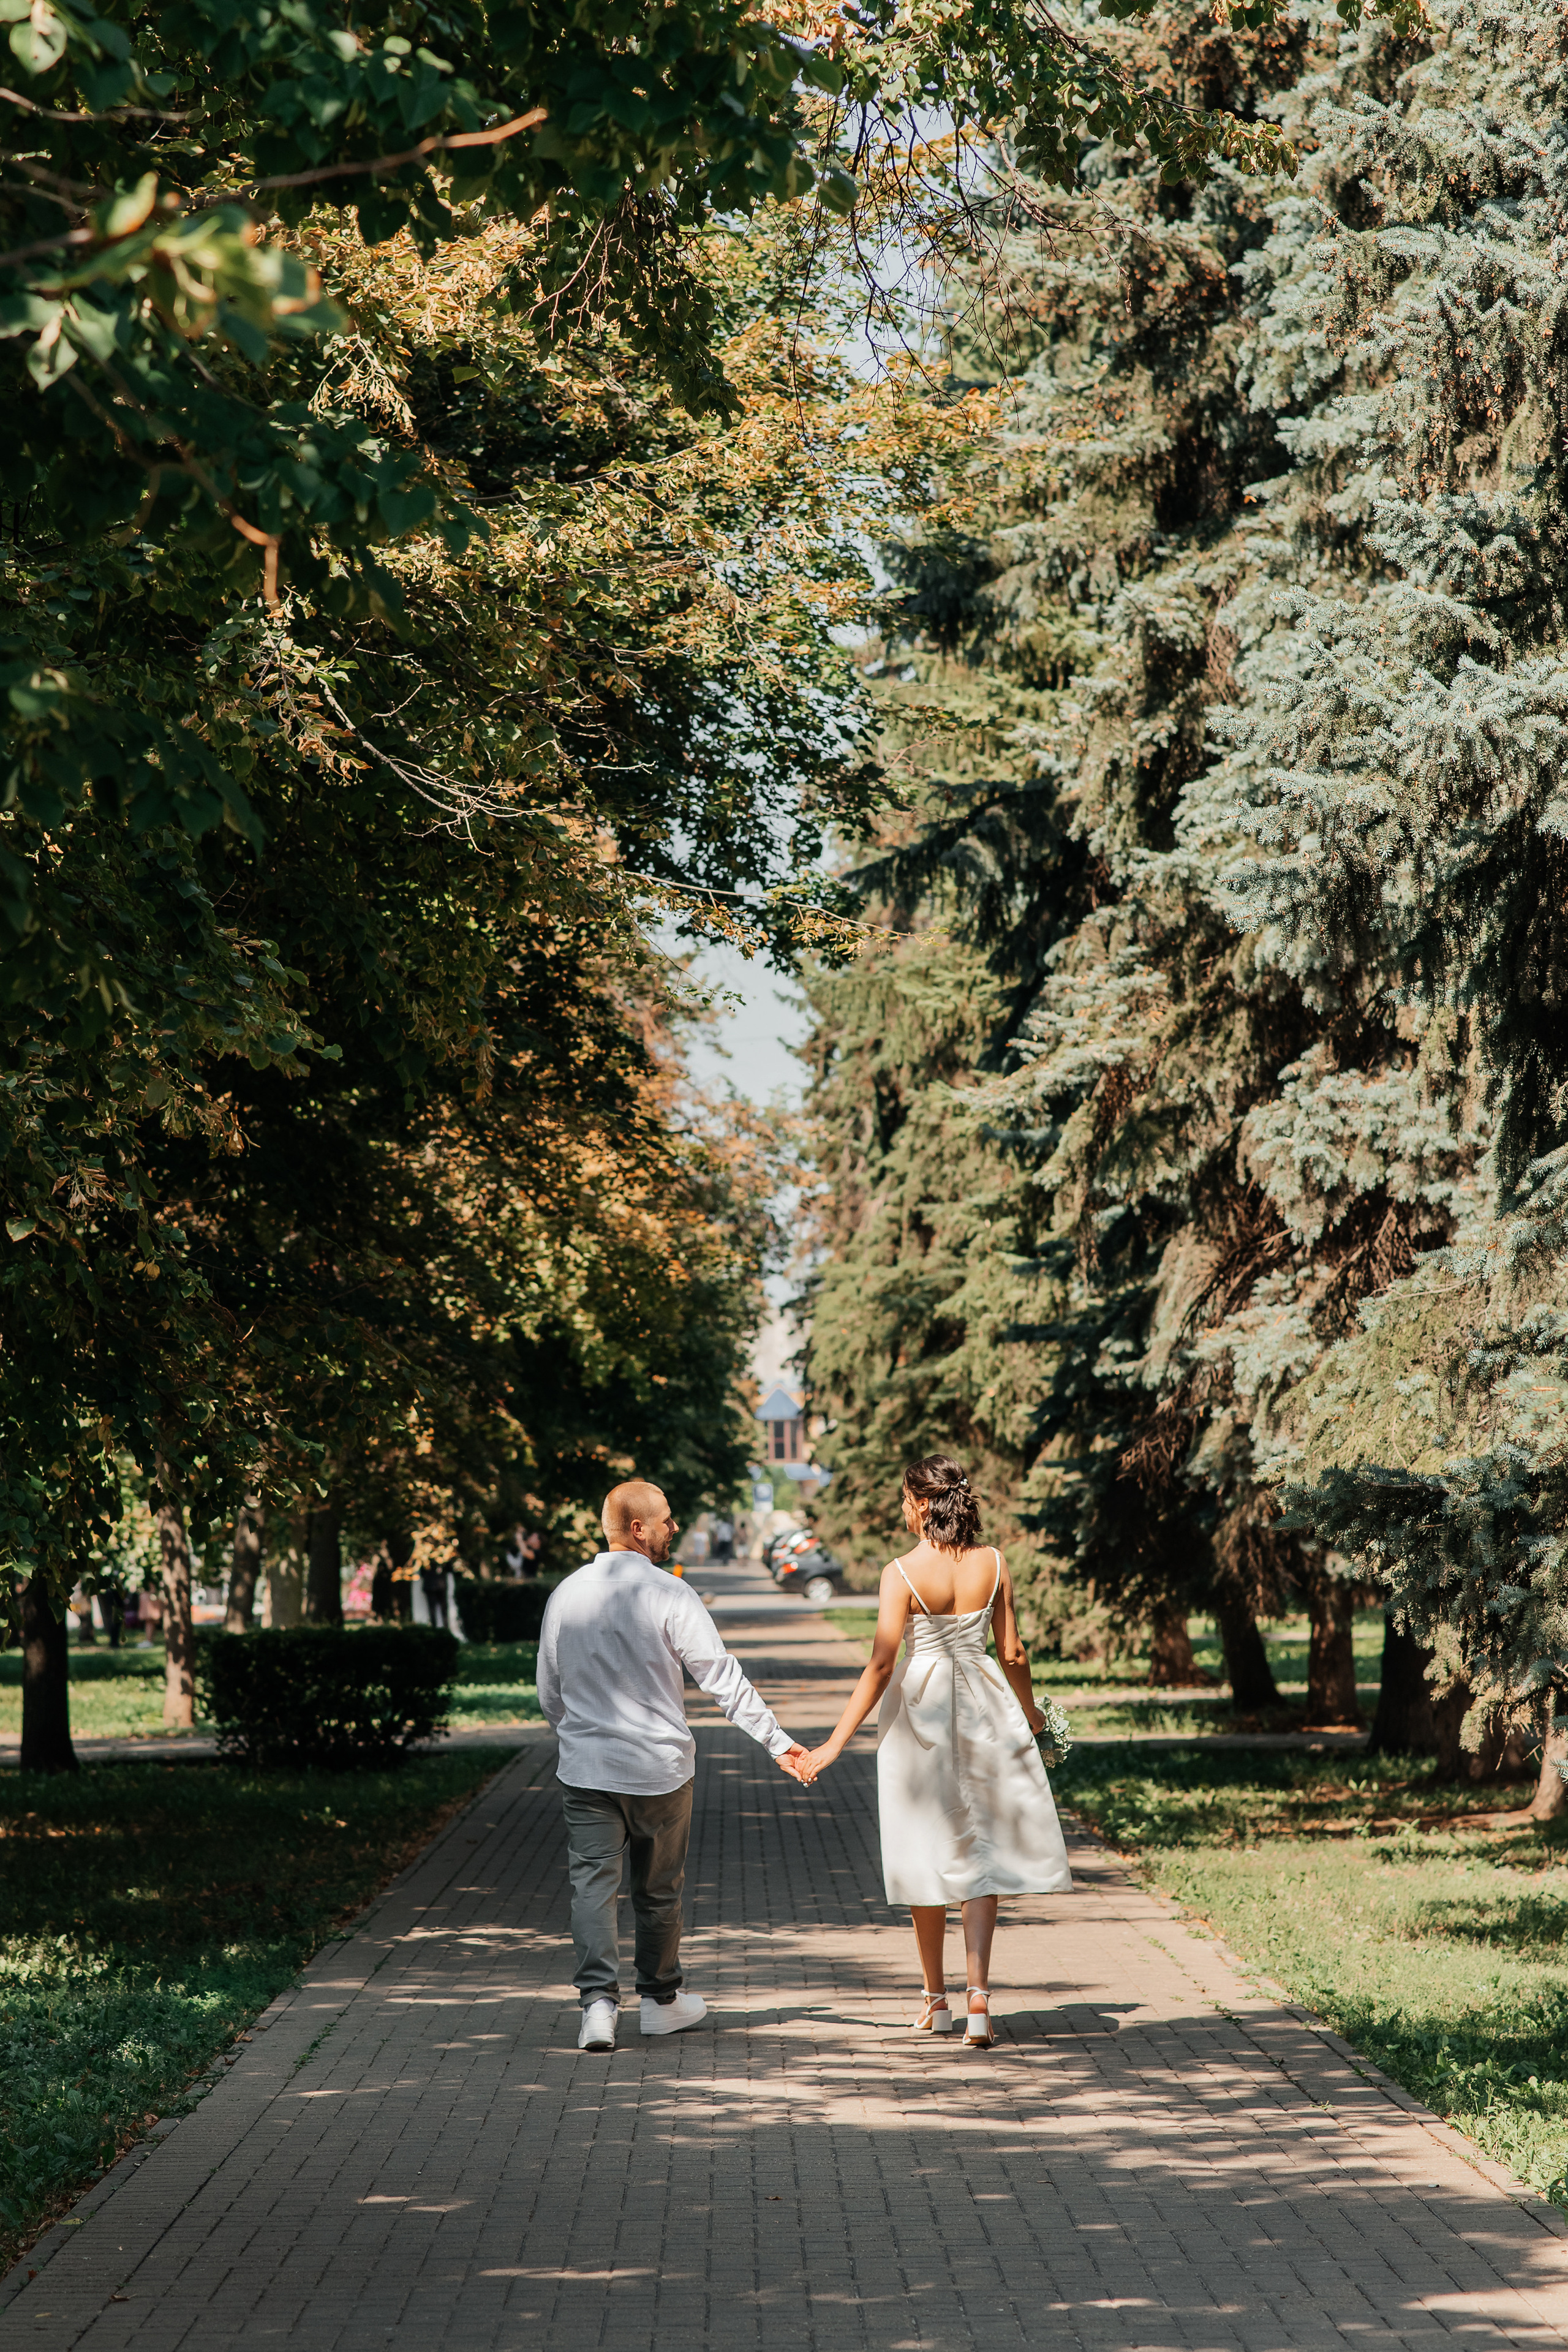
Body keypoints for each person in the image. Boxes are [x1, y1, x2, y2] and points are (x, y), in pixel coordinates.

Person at [537, 1478, 813, 2054]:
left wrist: (579, 1737)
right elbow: (721, 1678)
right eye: (665, 1518)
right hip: (659, 1771)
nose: (674, 1526)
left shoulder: (566, 1594)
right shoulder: (670, 1594)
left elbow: (550, 1690)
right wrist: (778, 1743)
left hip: (586, 1770)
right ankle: (661, 2002)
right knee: (658, 1890)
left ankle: (597, 2007)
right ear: (638, 1529)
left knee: (592, 1887)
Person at [806, 1454, 1071, 2048]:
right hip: (983, 1705)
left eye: (905, 1498)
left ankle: (935, 2001)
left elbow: (880, 1663)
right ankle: (978, 1998)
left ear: (922, 1504)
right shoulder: (994, 1562)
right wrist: (1030, 1715)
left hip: (919, 1709)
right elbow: (1014, 1653)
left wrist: (832, 1744)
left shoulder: (900, 1572)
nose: (902, 1508)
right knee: (978, 1846)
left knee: (924, 1845)